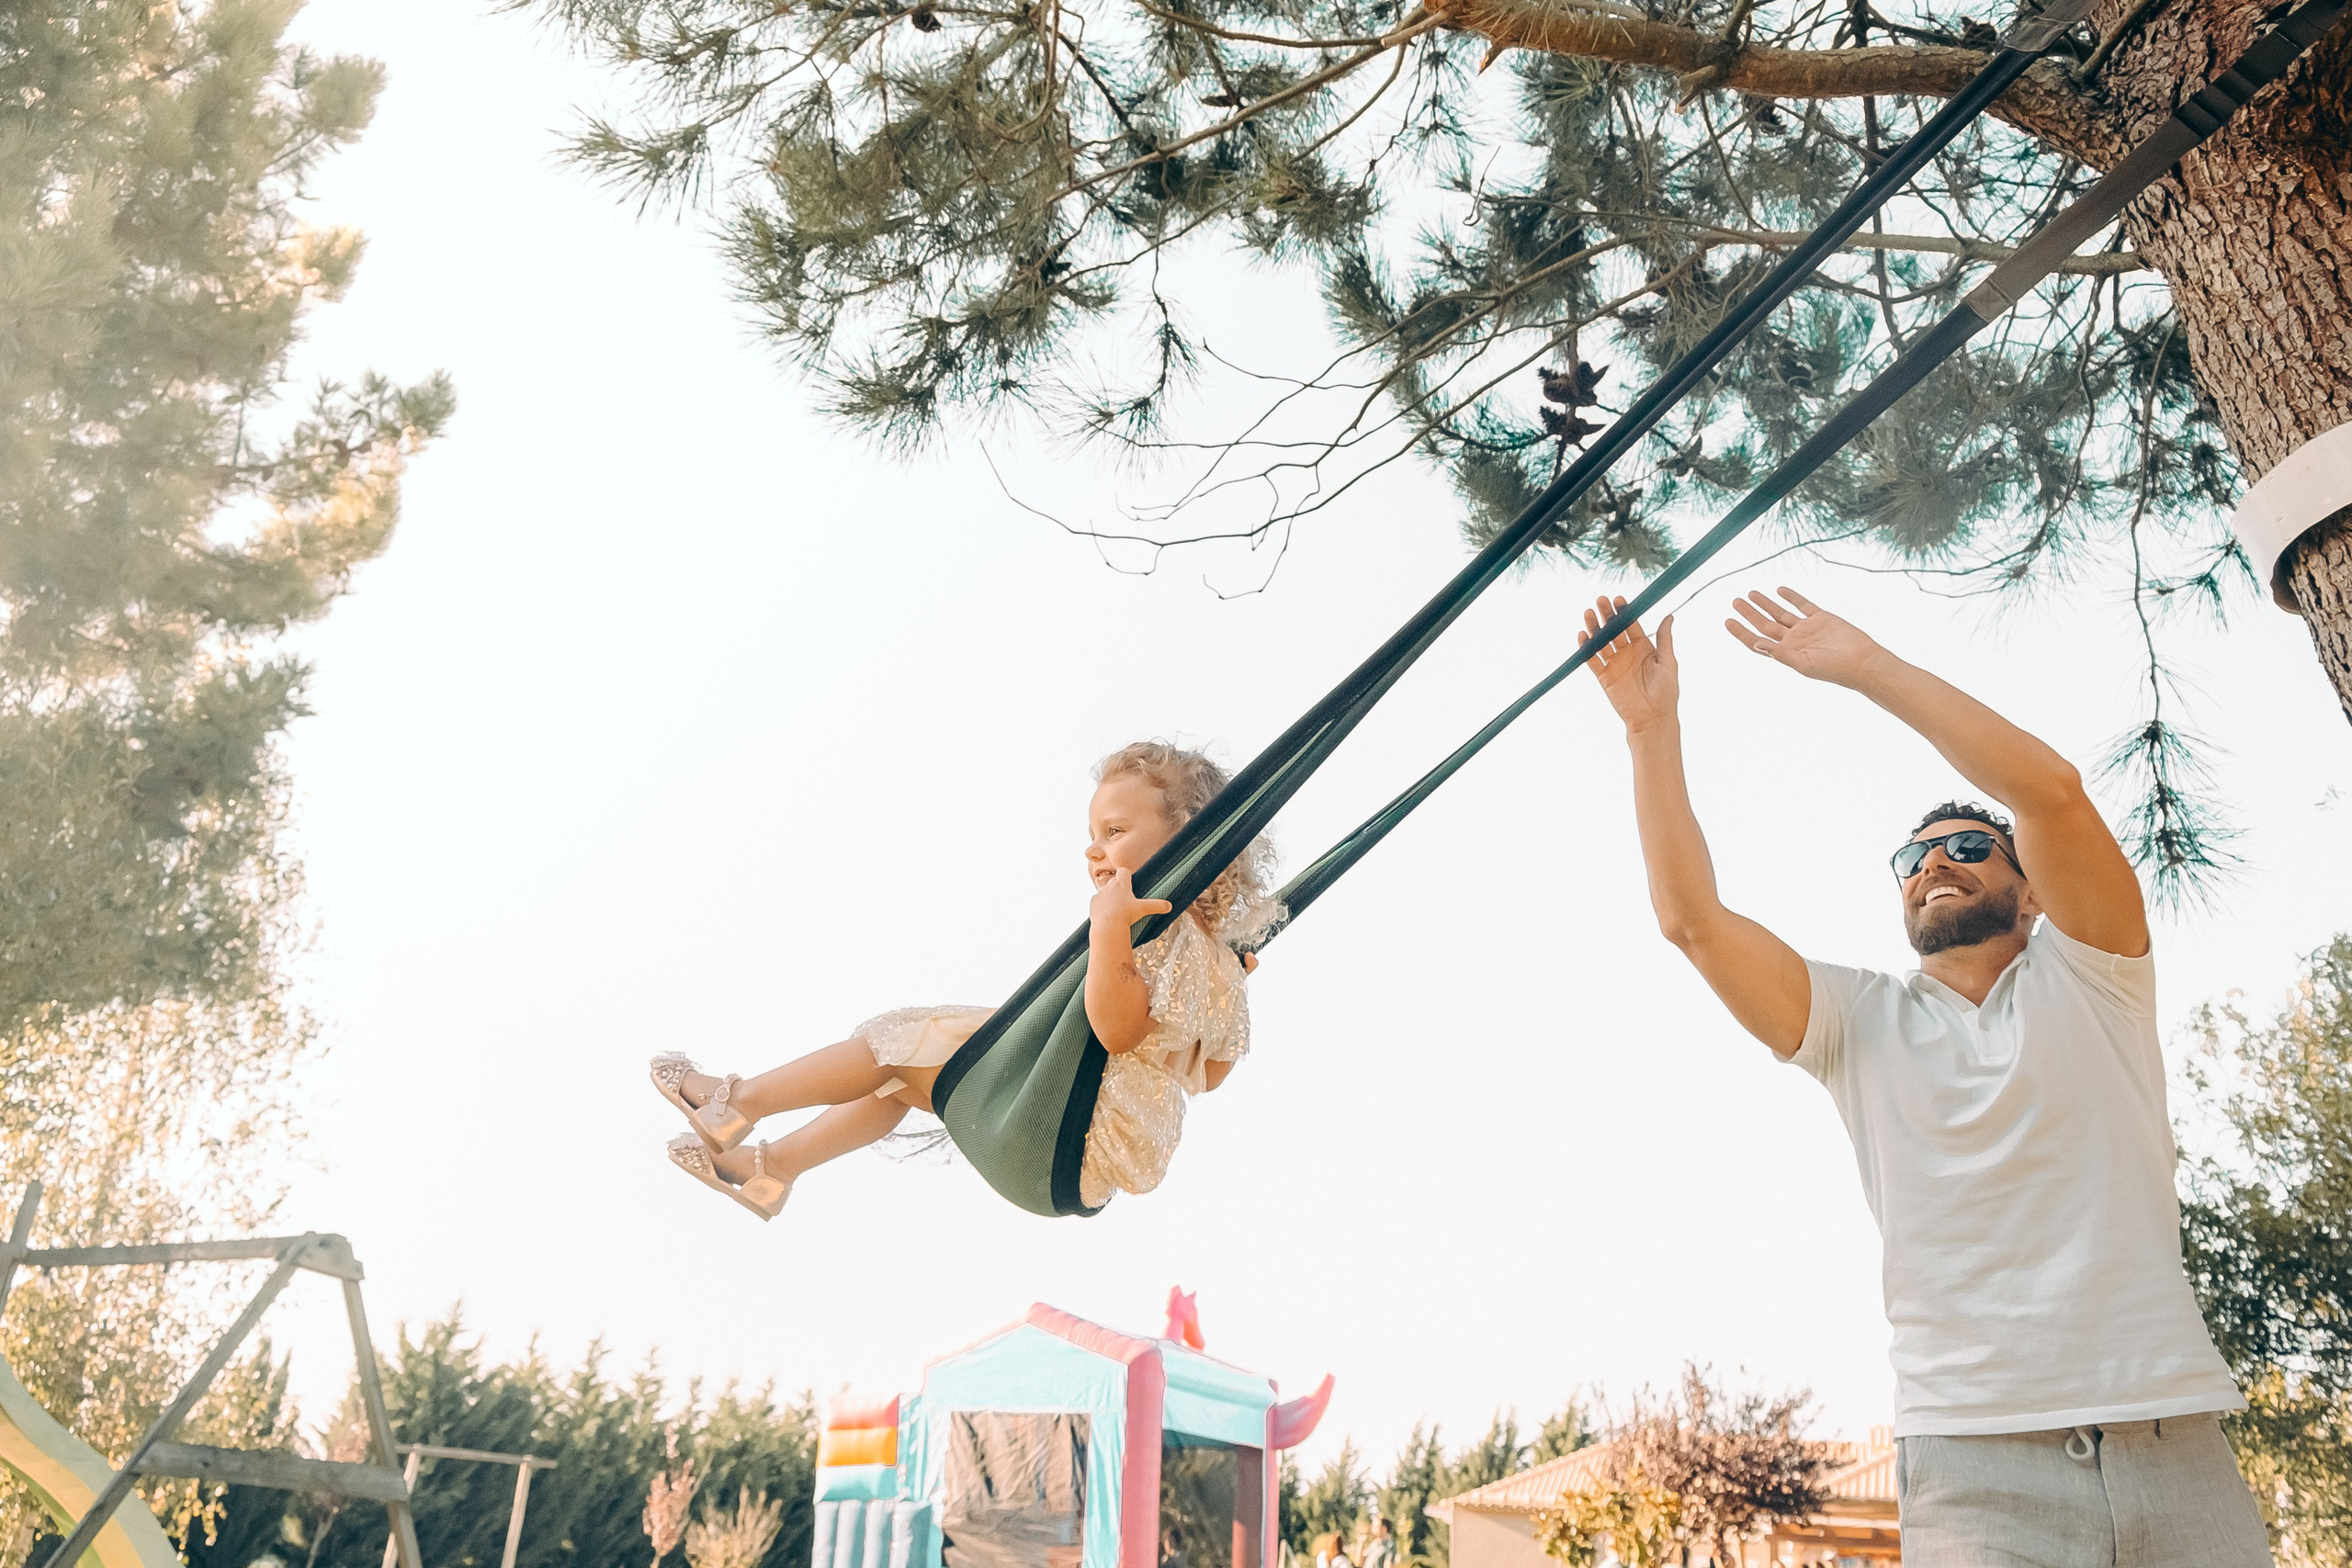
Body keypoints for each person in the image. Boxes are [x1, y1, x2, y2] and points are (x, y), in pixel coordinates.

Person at [1578, 586, 2268, 1565]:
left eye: (1966, 847)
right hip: (1977, 1472)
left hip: (2172, 1442)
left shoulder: (2097, 975)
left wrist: (1867, 667)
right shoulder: (1855, 1022)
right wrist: (1650, 729)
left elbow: (2052, 792)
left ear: (2028, 887)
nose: (1932, 862)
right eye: (1912, 855)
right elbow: (1692, 920)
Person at [650, 741, 1274, 1219]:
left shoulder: (1154, 932)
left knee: (903, 1037)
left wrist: (1107, 930)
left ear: (1190, 832)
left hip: (1066, 1139)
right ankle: (771, 1169)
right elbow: (1210, 1075)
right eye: (1092, 835)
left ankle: (737, 1102)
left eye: (1114, 831)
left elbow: (1114, 1029)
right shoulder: (1218, 958)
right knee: (902, 1074)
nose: (1093, 851)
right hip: (1074, 1169)